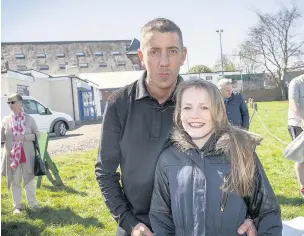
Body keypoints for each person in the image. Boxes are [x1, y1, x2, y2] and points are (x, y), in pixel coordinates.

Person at [95, 18, 257, 236]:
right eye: (154, 52)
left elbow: (235, 158)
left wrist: (251, 215)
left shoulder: (201, 101)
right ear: (141, 57)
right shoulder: (118, 103)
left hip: (196, 224)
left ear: (183, 55)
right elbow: (105, 172)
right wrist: (129, 222)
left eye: (172, 51)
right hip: (139, 225)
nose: (164, 61)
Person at [150, 79, 282, 235]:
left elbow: (267, 212)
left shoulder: (241, 154)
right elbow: (160, 216)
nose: (195, 115)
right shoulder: (168, 160)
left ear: (219, 113)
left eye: (204, 107)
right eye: (187, 107)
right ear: (179, 114)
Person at [1, 93, 40, 214]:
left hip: (27, 154)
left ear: (21, 103)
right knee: (15, 181)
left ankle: (33, 203)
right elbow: (1, 137)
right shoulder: (6, 120)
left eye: (13, 102)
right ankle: (17, 206)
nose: (10, 105)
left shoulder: (29, 119)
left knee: (29, 180)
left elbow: (36, 135)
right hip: (13, 156)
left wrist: (24, 137)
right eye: (9, 103)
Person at [287, 74, 304, 198]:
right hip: (297, 124)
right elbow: (293, 104)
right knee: (301, 157)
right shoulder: (296, 83)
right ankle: (303, 187)